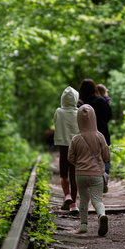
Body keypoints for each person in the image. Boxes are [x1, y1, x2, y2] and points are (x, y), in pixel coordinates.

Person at [68, 104, 111, 236]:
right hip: (96, 175)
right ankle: (101, 215)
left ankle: (83, 226)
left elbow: (70, 157)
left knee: (83, 199)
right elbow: (106, 156)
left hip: (80, 175)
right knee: (97, 200)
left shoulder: (76, 138)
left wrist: (79, 164)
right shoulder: (99, 136)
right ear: (94, 118)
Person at [78, 79, 112, 192]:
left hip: (85, 136)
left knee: (88, 158)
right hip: (102, 134)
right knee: (104, 157)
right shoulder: (101, 101)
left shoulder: (80, 104)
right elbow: (109, 117)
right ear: (95, 88)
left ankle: (90, 182)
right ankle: (104, 177)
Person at [53, 86, 80, 214]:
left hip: (63, 146)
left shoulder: (59, 111)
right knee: (74, 175)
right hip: (76, 147)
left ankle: (67, 195)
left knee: (63, 174)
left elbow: (55, 123)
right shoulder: (79, 112)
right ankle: (74, 205)